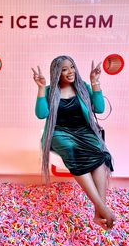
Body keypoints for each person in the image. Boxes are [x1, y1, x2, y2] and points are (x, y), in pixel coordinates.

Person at [32, 55, 116, 230]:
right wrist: (40, 88)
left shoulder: (82, 87)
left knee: (99, 153)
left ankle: (98, 211)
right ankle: (103, 208)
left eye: (72, 67)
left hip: (84, 131)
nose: (70, 72)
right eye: (64, 69)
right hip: (59, 132)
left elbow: (99, 109)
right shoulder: (50, 91)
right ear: (57, 73)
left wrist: (95, 82)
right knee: (71, 149)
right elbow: (41, 114)